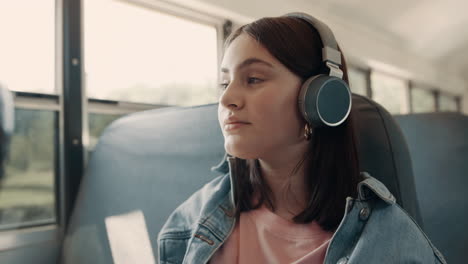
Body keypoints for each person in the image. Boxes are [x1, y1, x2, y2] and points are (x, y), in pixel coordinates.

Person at [157, 12, 446, 264]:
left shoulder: (387, 242)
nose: (227, 98)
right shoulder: (192, 219)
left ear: (320, 100)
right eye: (224, 83)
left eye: (254, 79)